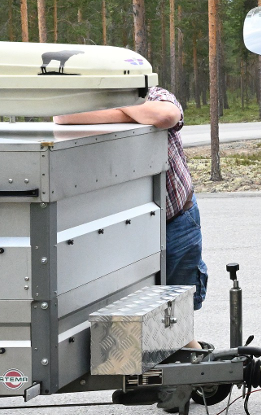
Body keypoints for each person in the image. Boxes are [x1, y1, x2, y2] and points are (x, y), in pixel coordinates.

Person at [52, 86, 208, 309]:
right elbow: (63, 116)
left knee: (180, 304)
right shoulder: (84, 100)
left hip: (177, 219)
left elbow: (165, 115)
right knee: (137, 304)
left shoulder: (156, 95)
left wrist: (115, 105)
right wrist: (134, 114)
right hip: (131, 228)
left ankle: (185, 343)